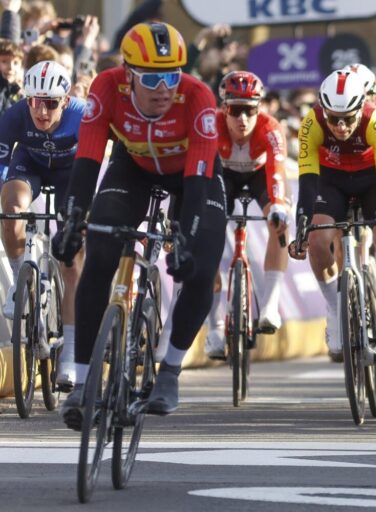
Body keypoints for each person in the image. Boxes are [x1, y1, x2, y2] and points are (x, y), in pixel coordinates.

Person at [56, 22, 227, 425]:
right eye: (152, 78)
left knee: (201, 269)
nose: (164, 87)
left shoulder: (197, 95)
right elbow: (88, 160)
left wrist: (185, 237)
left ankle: (169, 371)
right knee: (98, 254)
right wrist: (72, 219)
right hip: (131, 169)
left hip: (191, 176)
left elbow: (199, 175)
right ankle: (83, 384)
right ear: (129, 74)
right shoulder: (105, 87)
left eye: (172, 75)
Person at [289, 69, 376, 375]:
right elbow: (308, 180)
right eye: (333, 119)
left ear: (360, 109)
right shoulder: (311, 122)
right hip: (332, 179)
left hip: (372, 178)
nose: (340, 127)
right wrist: (302, 222)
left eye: (348, 119)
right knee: (316, 240)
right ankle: (334, 310)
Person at [0, 60, 83, 385]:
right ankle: (22, 276)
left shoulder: (83, 114)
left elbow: (101, 162)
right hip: (30, 165)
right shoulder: (15, 115)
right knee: (11, 209)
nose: (42, 110)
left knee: (72, 256)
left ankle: (72, 352)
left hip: (71, 172)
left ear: (65, 100)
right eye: (36, 101)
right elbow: (2, 162)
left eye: (51, 103)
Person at [203, 71, 290, 359]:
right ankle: (214, 328)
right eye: (235, 110)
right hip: (224, 175)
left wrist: (277, 204)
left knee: (280, 223)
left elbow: (277, 170)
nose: (243, 118)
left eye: (250, 110)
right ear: (223, 107)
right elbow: (200, 169)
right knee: (208, 234)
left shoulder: (271, 127)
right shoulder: (212, 125)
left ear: (260, 109)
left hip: (259, 176)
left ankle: (270, 304)